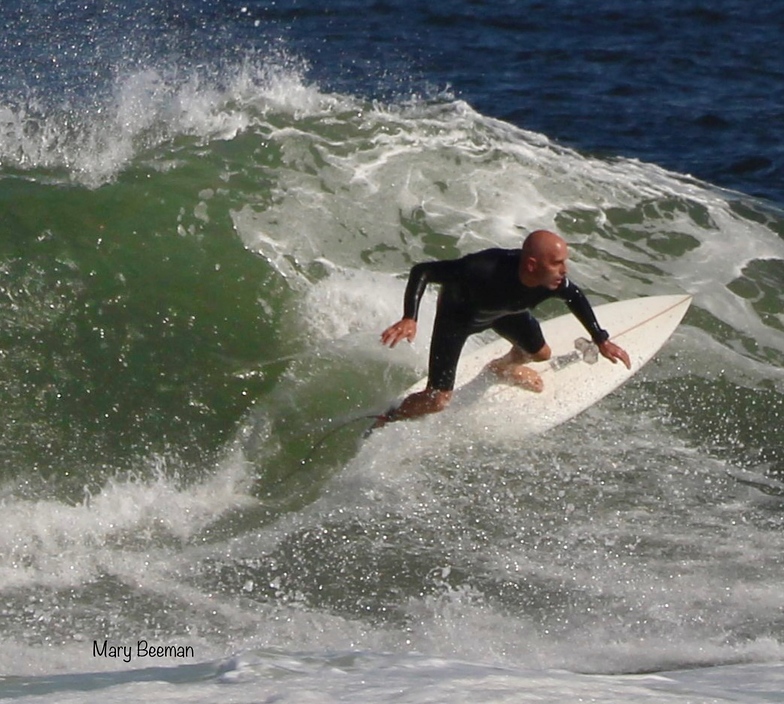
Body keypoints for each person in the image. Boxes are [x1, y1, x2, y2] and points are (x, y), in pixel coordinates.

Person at [376, 229, 631, 426]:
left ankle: (503, 366)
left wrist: (601, 339)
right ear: (532, 265)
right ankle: (391, 416)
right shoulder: (482, 269)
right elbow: (424, 271)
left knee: (541, 354)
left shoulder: (553, 281)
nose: (564, 271)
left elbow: (575, 297)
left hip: (505, 312)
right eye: (557, 263)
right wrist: (410, 317)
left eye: (564, 262)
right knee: (438, 400)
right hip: (458, 318)